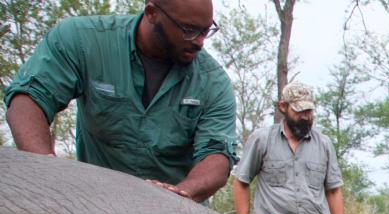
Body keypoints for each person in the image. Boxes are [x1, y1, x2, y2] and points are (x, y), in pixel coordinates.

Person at [3, 0, 237, 202]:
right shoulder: (83, 41)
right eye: (188, 29)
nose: (199, 42)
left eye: (206, 31)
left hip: (174, 210)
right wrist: (48, 170)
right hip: (93, 201)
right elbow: (29, 97)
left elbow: (216, 155)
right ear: (152, 13)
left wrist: (181, 192)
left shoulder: (213, 82)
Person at [232, 82, 348, 214]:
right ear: (283, 107)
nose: (305, 117)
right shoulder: (262, 139)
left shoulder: (324, 144)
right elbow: (241, 182)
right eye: (299, 111)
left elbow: (333, 190)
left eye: (309, 111)